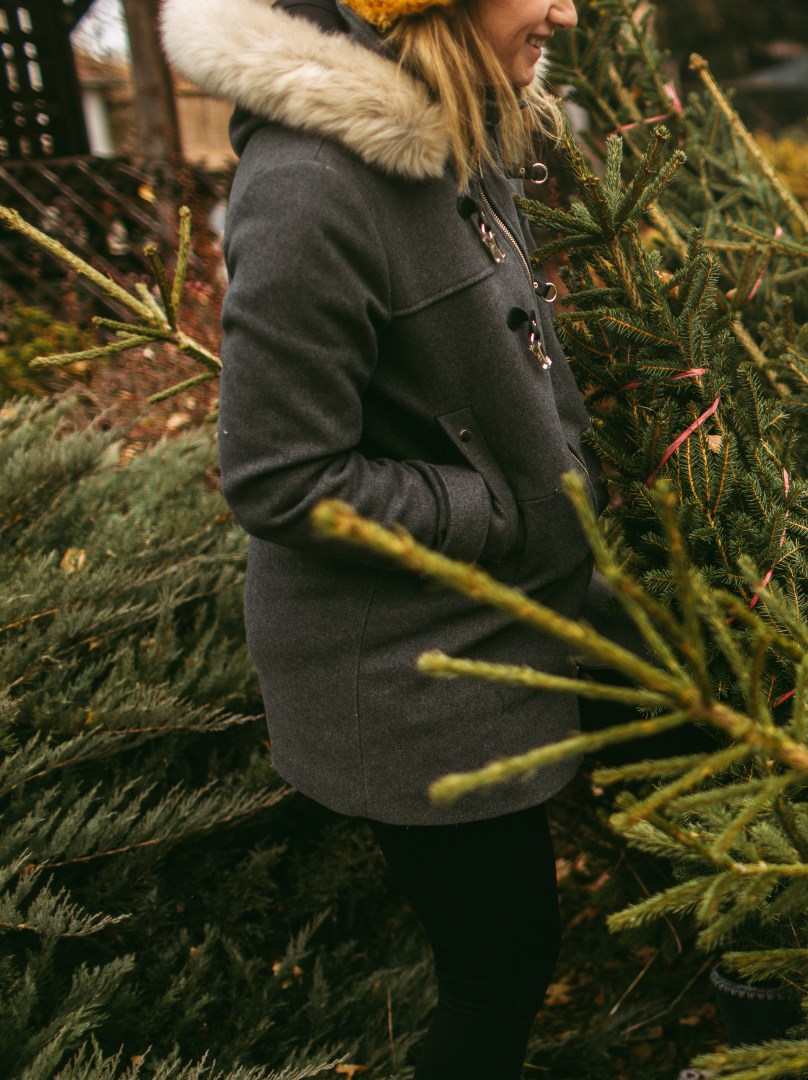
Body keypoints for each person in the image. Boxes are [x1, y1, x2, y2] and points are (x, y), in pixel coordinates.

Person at [162, 0, 589, 1073]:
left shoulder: (459, 138)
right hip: (407, 669)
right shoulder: (312, 186)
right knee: (499, 971)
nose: (567, 10)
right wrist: (500, 509)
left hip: (500, 616)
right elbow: (280, 475)